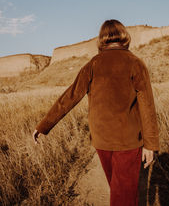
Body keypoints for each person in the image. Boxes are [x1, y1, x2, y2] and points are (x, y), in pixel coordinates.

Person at [33, 19, 160, 206]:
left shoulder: (93, 64)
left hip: (101, 140)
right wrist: (150, 145)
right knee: (124, 195)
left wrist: (44, 125)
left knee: (118, 191)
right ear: (124, 36)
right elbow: (147, 106)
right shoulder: (135, 63)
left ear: (102, 39)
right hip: (128, 141)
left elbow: (69, 97)